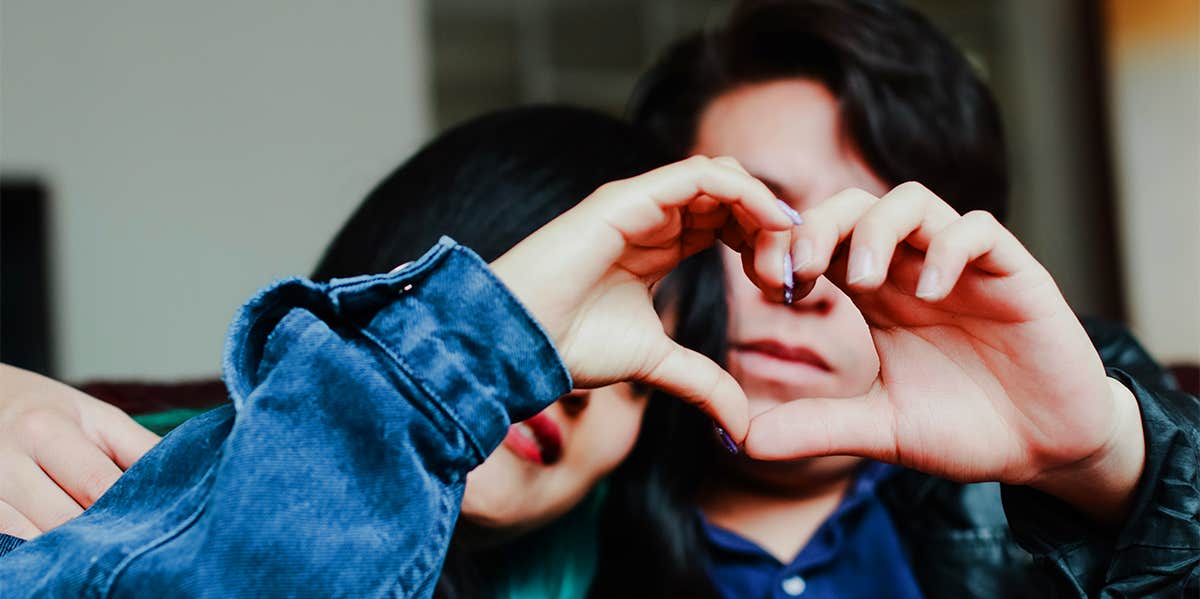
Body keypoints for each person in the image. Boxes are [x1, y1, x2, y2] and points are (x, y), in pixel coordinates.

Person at [0, 105, 804, 597]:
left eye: (637, 374)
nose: (583, 383)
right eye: (552, 313)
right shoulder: (101, 479)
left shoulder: (620, 562)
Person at [589, 1, 1199, 598]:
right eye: (751, 218)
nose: (805, 284)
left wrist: (1104, 465)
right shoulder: (553, 481)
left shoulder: (1060, 464)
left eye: (875, 240)